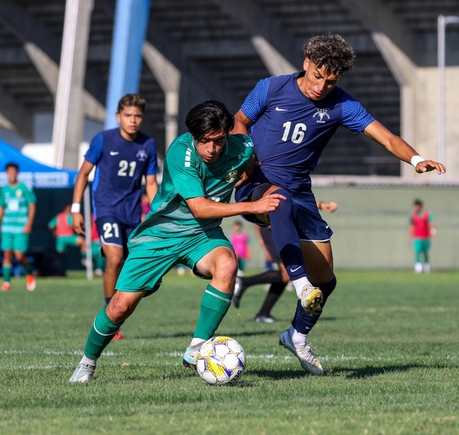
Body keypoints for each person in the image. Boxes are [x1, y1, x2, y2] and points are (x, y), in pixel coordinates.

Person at [232, 33, 445, 375]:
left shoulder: (342, 105)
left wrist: (417, 159)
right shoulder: (270, 88)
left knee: (326, 282)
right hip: (257, 183)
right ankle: (299, 284)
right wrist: (244, 154)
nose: (322, 86)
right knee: (279, 204)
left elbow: (386, 137)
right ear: (306, 64)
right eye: (318, 76)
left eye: (331, 81)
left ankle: (297, 336)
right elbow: (240, 121)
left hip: (301, 192)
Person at [69, 100, 284, 383]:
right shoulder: (180, 152)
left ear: (227, 133)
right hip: (161, 233)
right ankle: (87, 362)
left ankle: (197, 347)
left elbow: (250, 169)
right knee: (120, 306)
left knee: (228, 265)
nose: (210, 149)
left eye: (217, 141)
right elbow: (200, 208)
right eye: (203, 141)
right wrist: (252, 208)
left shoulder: (244, 148)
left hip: (202, 234)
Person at [71, 94, 159, 339]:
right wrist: (76, 209)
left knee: (132, 266)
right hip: (106, 208)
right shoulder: (103, 140)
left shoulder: (148, 145)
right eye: (128, 116)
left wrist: (156, 213)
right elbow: (82, 174)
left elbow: (150, 184)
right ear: (118, 116)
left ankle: (117, 304)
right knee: (115, 258)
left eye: (138, 116)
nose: (133, 120)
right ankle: (111, 317)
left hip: (132, 213)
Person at [232, 200, 339, 323]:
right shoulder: (269, 185)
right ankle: (244, 283)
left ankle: (263, 313)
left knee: (287, 274)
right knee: (288, 273)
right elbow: (258, 210)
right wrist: (262, 238)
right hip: (271, 231)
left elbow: (297, 198)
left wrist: (321, 205)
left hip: (283, 231)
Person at [0, 163, 37, 291]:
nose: (12, 174)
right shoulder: (4, 189)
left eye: (14, 171)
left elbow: (32, 205)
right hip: (6, 227)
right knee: (7, 253)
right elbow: (0, 208)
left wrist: (29, 223)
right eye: (9, 172)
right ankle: (6, 282)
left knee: (19, 255)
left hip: (21, 226)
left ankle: (29, 272)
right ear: (6, 173)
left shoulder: (24, 187)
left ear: (17, 173)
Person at [48, 203, 84, 273]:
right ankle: (84, 258)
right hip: (67, 237)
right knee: (59, 256)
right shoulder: (69, 217)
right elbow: (75, 225)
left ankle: (59, 271)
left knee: (59, 256)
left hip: (61, 238)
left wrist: (54, 231)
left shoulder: (58, 216)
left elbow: (50, 226)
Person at [409, 199, 436, 273]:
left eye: (417, 207)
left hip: (426, 237)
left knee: (425, 252)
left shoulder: (428, 214)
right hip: (417, 237)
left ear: (420, 206)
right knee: (417, 252)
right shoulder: (412, 215)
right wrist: (410, 237)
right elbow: (411, 226)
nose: (415, 208)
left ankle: (427, 268)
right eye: (415, 207)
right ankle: (418, 269)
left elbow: (432, 224)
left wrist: (433, 232)